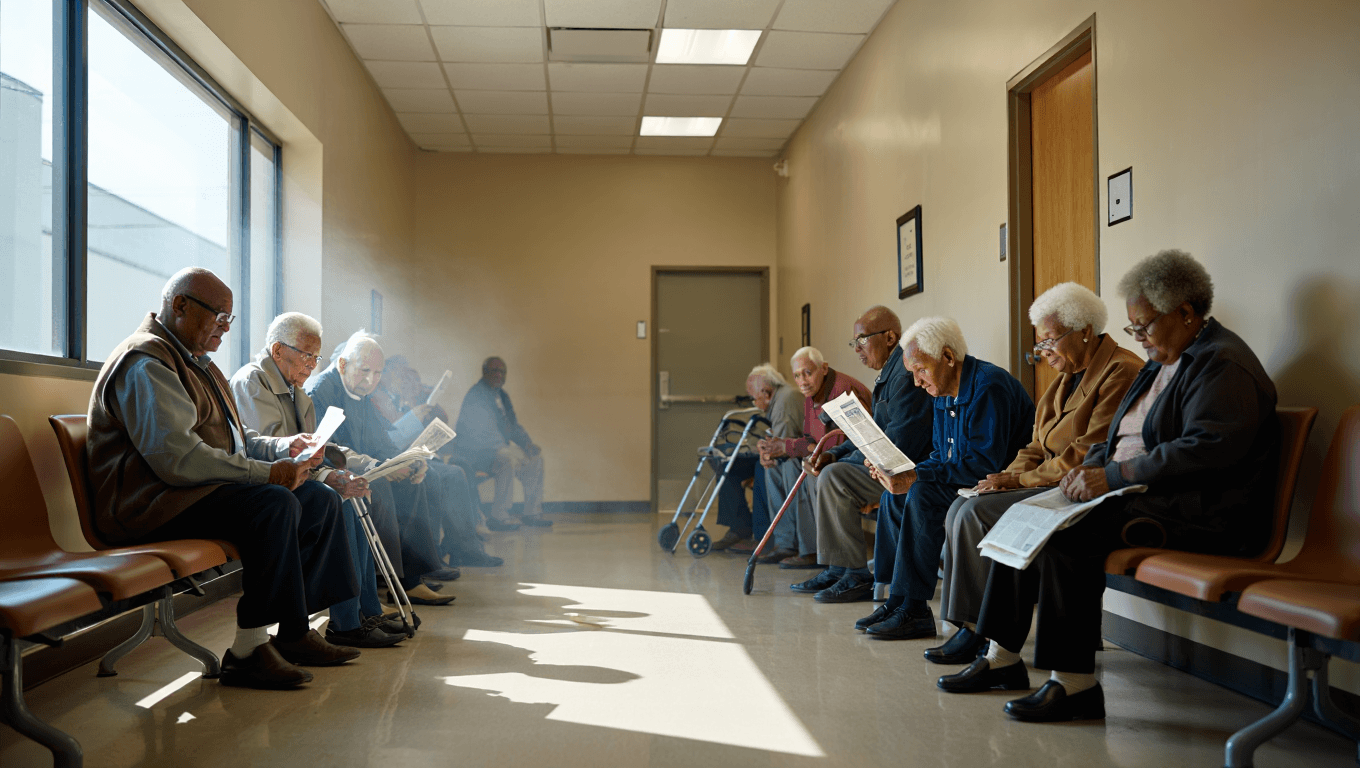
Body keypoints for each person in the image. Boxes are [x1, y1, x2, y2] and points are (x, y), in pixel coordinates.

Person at [942, 250, 1278, 724]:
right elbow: (1115, 438)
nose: (1138, 338)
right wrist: (1091, 470)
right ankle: (1000, 658)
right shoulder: (1162, 361)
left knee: (1063, 536)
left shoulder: (1221, 364)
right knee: (1024, 514)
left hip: (1199, 511)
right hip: (1144, 497)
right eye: (1133, 329)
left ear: (1185, 313)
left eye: (1144, 326)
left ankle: (1074, 684)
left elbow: (1205, 450)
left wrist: (1113, 476)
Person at [86, 267, 360, 690]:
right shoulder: (147, 361)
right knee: (275, 503)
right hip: (149, 503)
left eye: (229, 320)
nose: (225, 330)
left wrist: (281, 448)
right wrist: (267, 473)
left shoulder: (200, 364)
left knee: (318, 498)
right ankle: (248, 651)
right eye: (219, 318)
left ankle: (294, 632)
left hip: (189, 492)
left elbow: (236, 438)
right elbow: (178, 460)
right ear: (180, 306)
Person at [926, 283, 1141, 664]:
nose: (1042, 353)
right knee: (964, 507)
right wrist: (1001, 478)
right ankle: (966, 625)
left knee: (974, 514)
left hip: (1078, 488)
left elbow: (1087, 455)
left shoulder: (1120, 372)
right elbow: (1035, 447)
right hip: (1046, 479)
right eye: (1040, 344)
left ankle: (978, 629)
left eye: (1049, 341)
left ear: (1085, 331)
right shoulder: (1062, 380)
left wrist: (1018, 481)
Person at [230, 312, 411, 648]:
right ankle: (344, 622)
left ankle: (364, 612)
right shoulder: (251, 382)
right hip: (263, 486)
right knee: (337, 501)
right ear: (278, 350)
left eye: (316, 357)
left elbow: (319, 444)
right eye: (305, 355)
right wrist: (328, 473)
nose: (311, 365)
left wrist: (346, 467)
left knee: (352, 495)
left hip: (294, 480)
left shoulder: (295, 388)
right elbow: (267, 450)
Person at [854, 317, 1034, 639]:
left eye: (921, 370)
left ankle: (915, 609)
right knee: (895, 494)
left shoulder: (989, 387)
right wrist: (901, 473)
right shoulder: (942, 393)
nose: (918, 382)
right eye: (913, 374)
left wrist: (916, 477)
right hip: (968, 480)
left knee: (921, 494)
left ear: (948, 358)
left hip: (998, 485)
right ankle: (898, 600)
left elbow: (982, 464)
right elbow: (941, 455)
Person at [309, 333, 498, 605]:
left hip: (363, 468)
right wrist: (381, 467)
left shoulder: (360, 390)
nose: (372, 380)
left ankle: (410, 580)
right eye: (365, 371)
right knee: (383, 484)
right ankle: (388, 582)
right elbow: (329, 450)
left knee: (412, 479)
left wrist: (406, 462)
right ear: (342, 364)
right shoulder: (322, 391)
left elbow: (381, 441)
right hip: (335, 474)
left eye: (377, 373)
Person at [791, 306, 934, 603]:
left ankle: (854, 574)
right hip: (884, 463)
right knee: (824, 469)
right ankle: (837, 567)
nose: (857, 349)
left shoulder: (904, 375)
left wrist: (841, 460)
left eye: (862, 340)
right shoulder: (889, 373)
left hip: (905, 470)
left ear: (891, 337)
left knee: (835, 477)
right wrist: (833, 453)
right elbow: (871, 433)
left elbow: (896, 444)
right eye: (854, 342)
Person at [758, 347, 870, 568]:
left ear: (824, 368)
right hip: (830, 457)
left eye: (808, 372)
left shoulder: (843, 391)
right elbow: (810, 439)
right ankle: (790, 545)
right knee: (779, 466)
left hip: (854, 461)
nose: (803, 380)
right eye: (797, 375)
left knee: (803, 468)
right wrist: (780, 447)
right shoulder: (812, 395)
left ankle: (818, 554)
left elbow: (848, 444)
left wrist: (792, 446)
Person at [711, 364, 803, 553]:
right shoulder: (779, 399)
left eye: (754, 398)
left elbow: (781, 449)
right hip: (786, 451)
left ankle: (763, 537)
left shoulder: (785, 401)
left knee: (764, 468)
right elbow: (776, 439)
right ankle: (740, 526)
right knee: (725, 462)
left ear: (767, 392)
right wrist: (764, 448)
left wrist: (765, 453)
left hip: (795, 458)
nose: (753, 403)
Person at [452, 357, 550, 528]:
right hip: (475, 453)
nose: (499, 375)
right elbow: (478, 433)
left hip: (498, 449)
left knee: (535, 460)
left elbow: (512, 425)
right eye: (495, 371)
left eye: (502, 372)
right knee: (506, 460)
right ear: (485, 372)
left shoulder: (502, 395)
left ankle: (532, 513)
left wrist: (527, 444)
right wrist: (505, 449)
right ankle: (499, 516)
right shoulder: (476, 395)